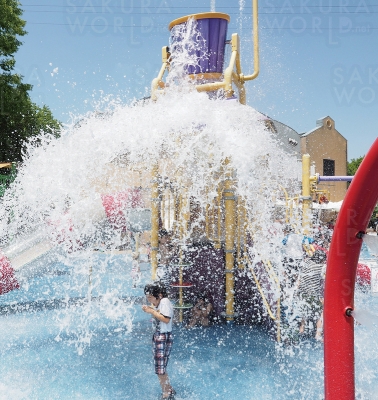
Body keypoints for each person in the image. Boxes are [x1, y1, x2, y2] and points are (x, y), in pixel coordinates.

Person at [142, 282, 176, 400]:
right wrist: (152, 309)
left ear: (159, 295)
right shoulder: (161, 303)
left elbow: (166, 319)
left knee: (159, 368)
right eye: (148, 298)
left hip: (162, 336)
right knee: (161, 367)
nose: (150, 301)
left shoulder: (165, 301)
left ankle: (166, 393)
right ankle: (169, 389)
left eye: (151, 298)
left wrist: (151, 311)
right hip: (162, 336)